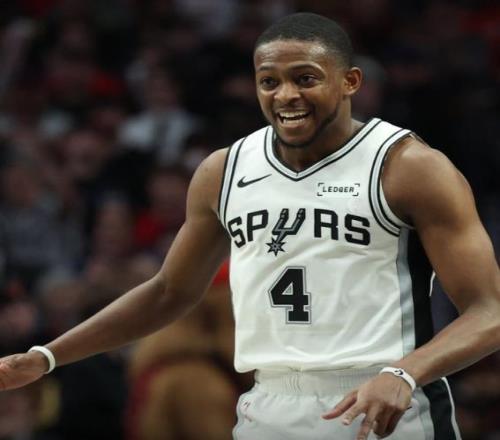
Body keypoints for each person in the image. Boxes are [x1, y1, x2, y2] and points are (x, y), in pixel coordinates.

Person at [0, 12, 499, 440]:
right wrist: (46, 357)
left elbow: (490, 311)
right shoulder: (225, 170)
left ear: (350, 82)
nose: (286, 95)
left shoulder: (409, 167)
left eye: (305, 79)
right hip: (268, 403)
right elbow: (168, 291)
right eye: (269, 81)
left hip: (384, 399)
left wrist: (407, 373)